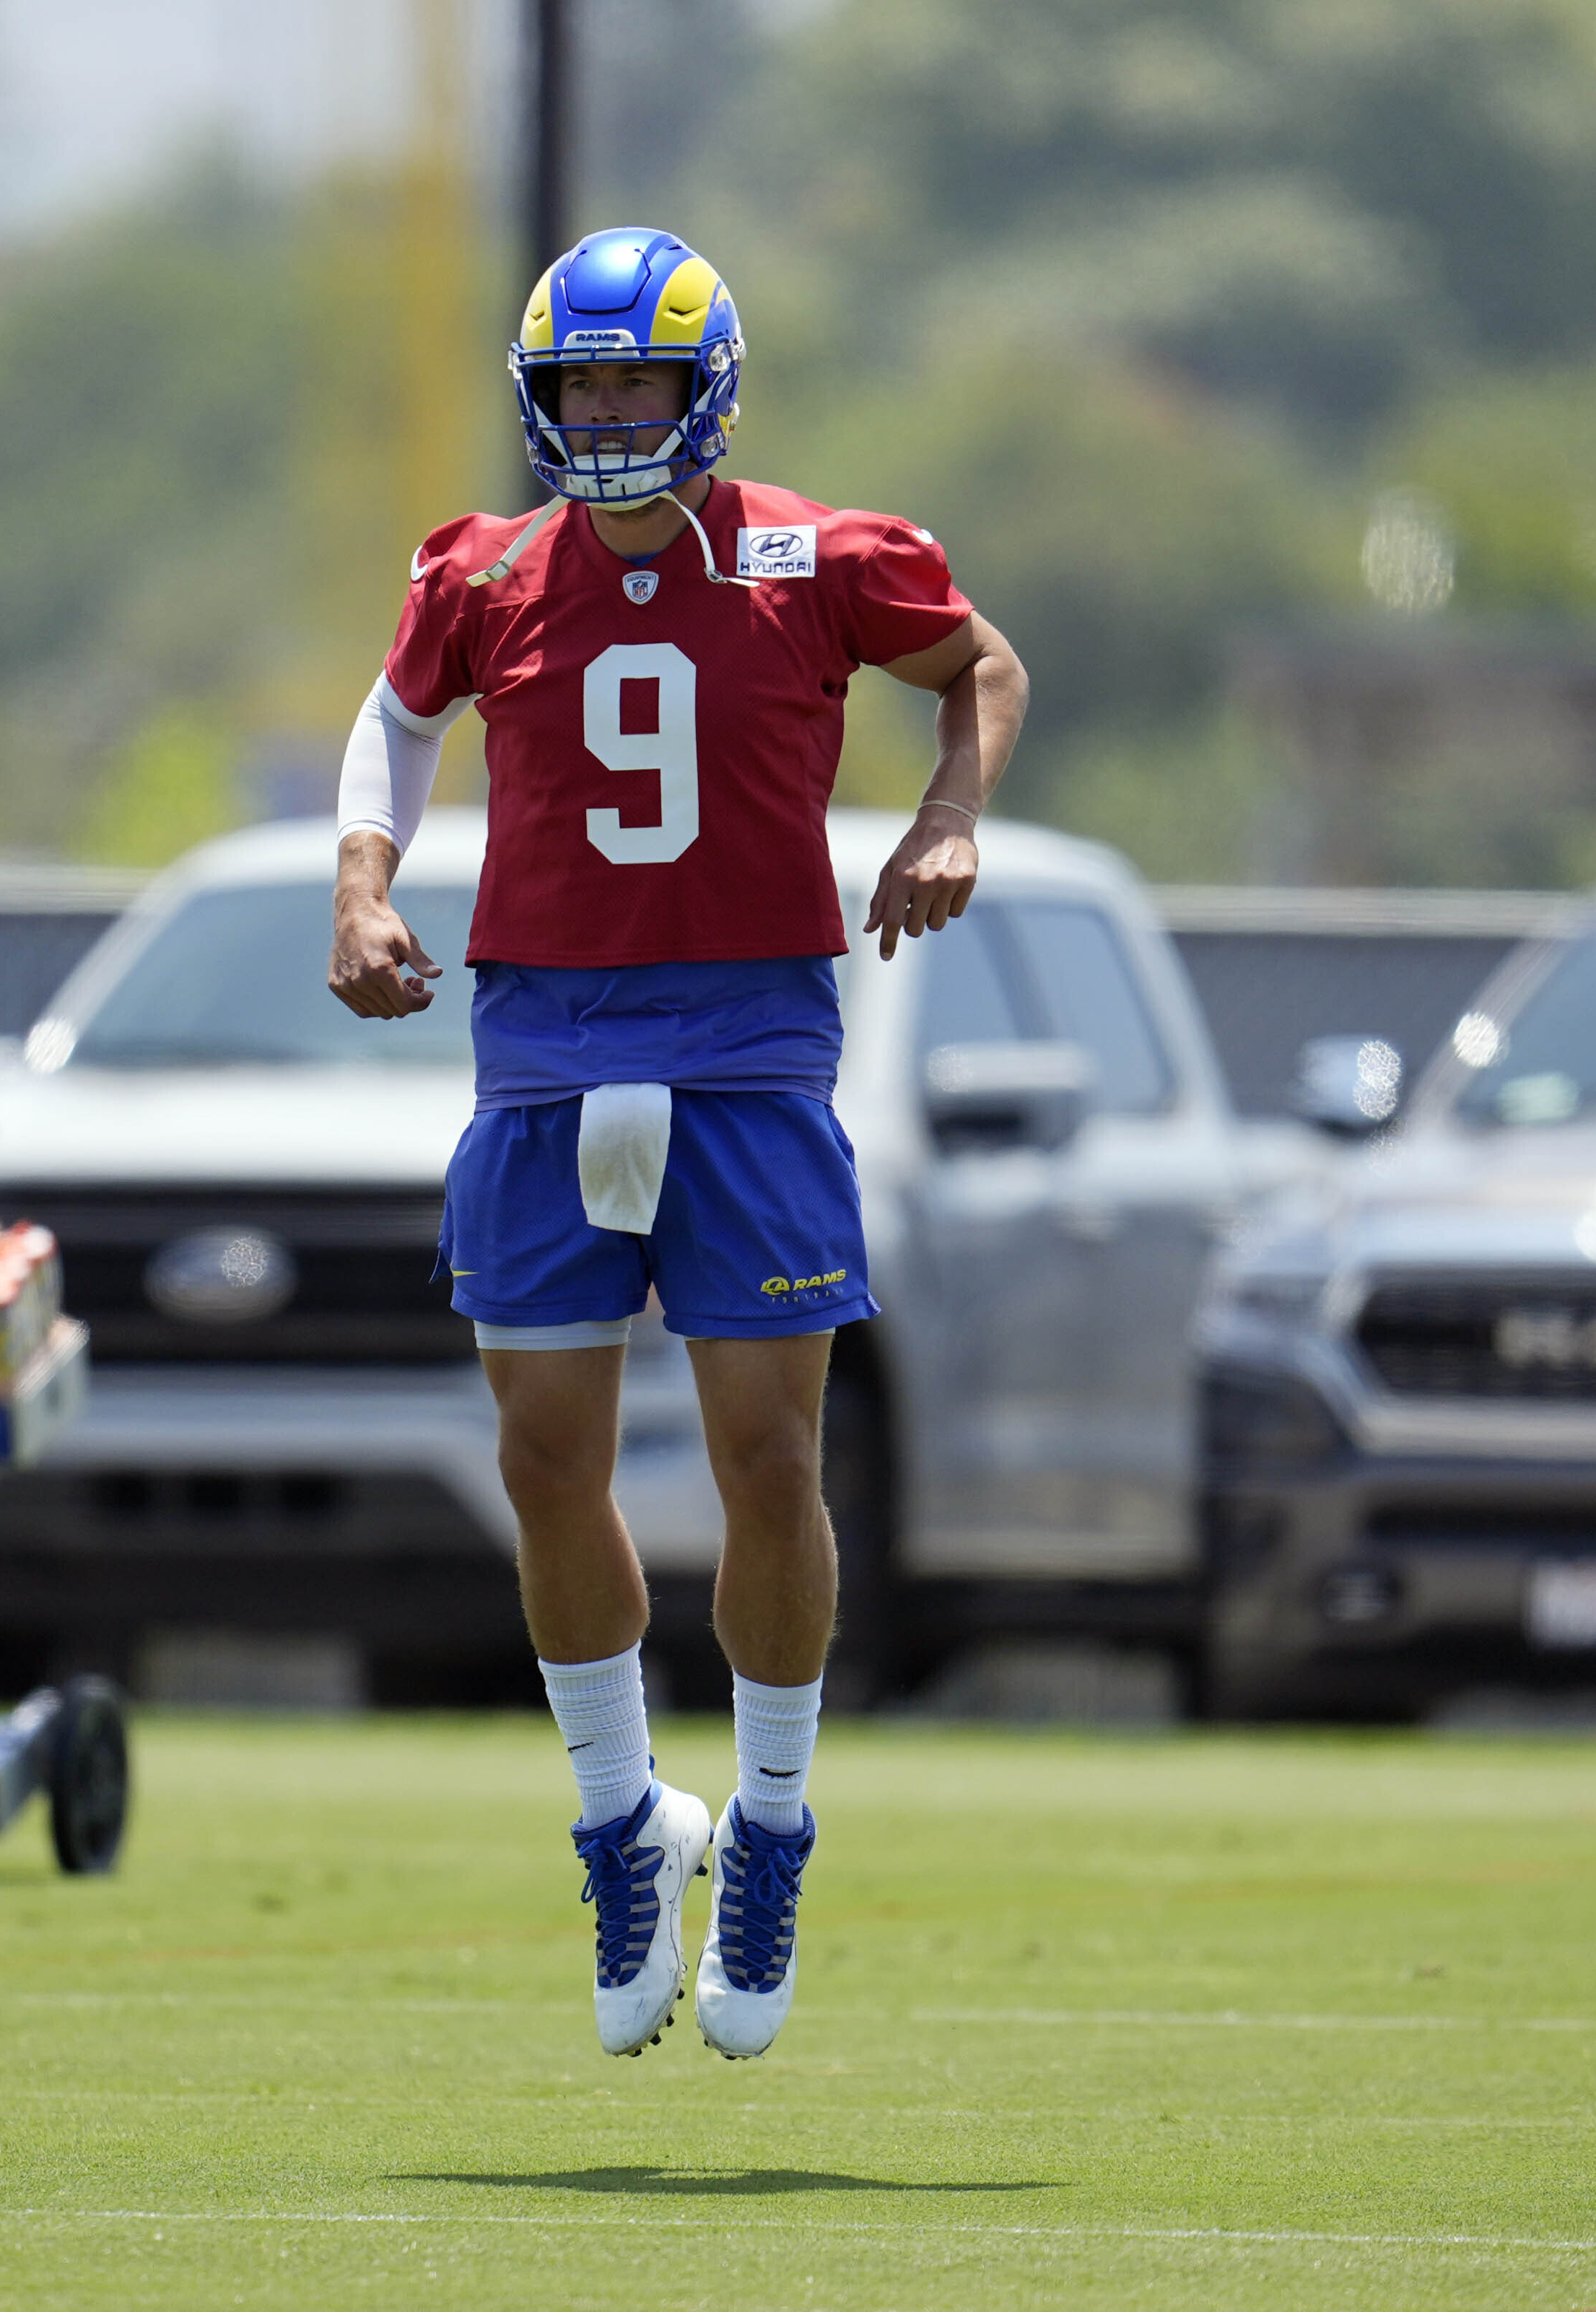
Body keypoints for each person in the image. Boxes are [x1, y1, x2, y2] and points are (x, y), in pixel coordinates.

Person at [327, 227, 1026, 2061]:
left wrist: (950, 817)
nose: (611, 414)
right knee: (545, 1454)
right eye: (582, 386)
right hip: (545, 1035)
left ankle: (775, 1817)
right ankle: (624, 1817)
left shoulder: (816, 551)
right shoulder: (480, 567)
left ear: (704, 388)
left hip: (751, 1038)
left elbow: (982, 664)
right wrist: (362, 887)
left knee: (765, 1446)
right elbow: (391, 727)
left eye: (639, 382)